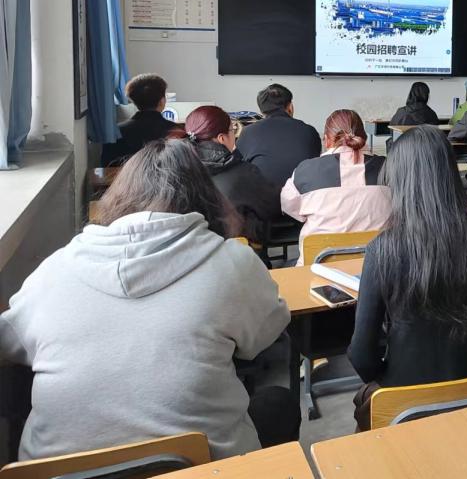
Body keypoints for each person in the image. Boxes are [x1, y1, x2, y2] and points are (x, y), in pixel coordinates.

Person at [0, 141, 296, 460]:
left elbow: (11, 344)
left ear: (117, 196)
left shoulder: (55, 269)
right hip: (202, 466)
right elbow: (265, 334)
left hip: (57, 471)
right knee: (277, 403)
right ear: (209, 196)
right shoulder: (232, 262)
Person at [348, 126, 467, 431]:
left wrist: (390, 376)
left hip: (401, 405)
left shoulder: (383, 249)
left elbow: (361, 354)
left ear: (401, 182)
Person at [281, 109, 391, 265]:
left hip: (318, 270)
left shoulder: (305, 171)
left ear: (326, 141)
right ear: (364, 139)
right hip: (378, 267)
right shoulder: (389, 168)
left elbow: (289, 207)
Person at [179, 106, 280, 247]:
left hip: (191, 250)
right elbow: (272, 206)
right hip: (237, 252)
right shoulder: (244, 172)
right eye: (233, 130)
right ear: (221, 138)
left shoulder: (177, 170)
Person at [236, 83, 322, 190]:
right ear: (290, 107)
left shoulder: (248, 132)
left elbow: (239, 167)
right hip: (302, 195)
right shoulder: (309, 131)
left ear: (262, 111)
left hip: (262, 196)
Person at [100, 73, 176, 166]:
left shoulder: (116, 132)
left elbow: (106, 167)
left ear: (135, 102)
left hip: (126, 176)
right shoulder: (177, 131)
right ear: (162, 101)